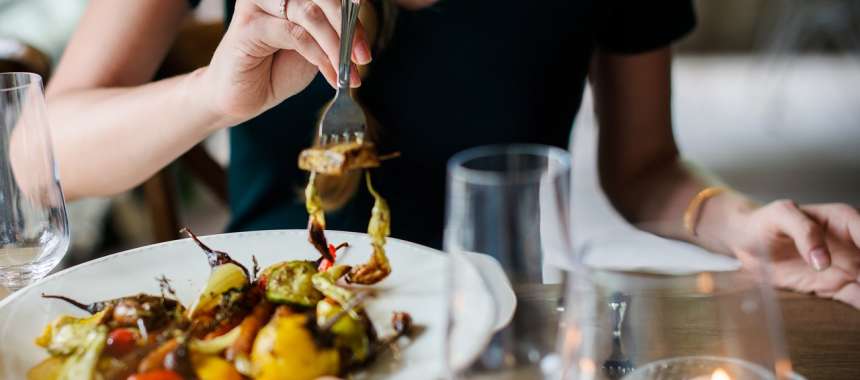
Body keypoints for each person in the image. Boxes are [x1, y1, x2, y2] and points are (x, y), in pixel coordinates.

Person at [44, 0, 860, 308]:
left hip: (503, 331)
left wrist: (739, 224)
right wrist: (213, 95)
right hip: (269, 324)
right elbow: (39, 152)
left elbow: (646, 168)